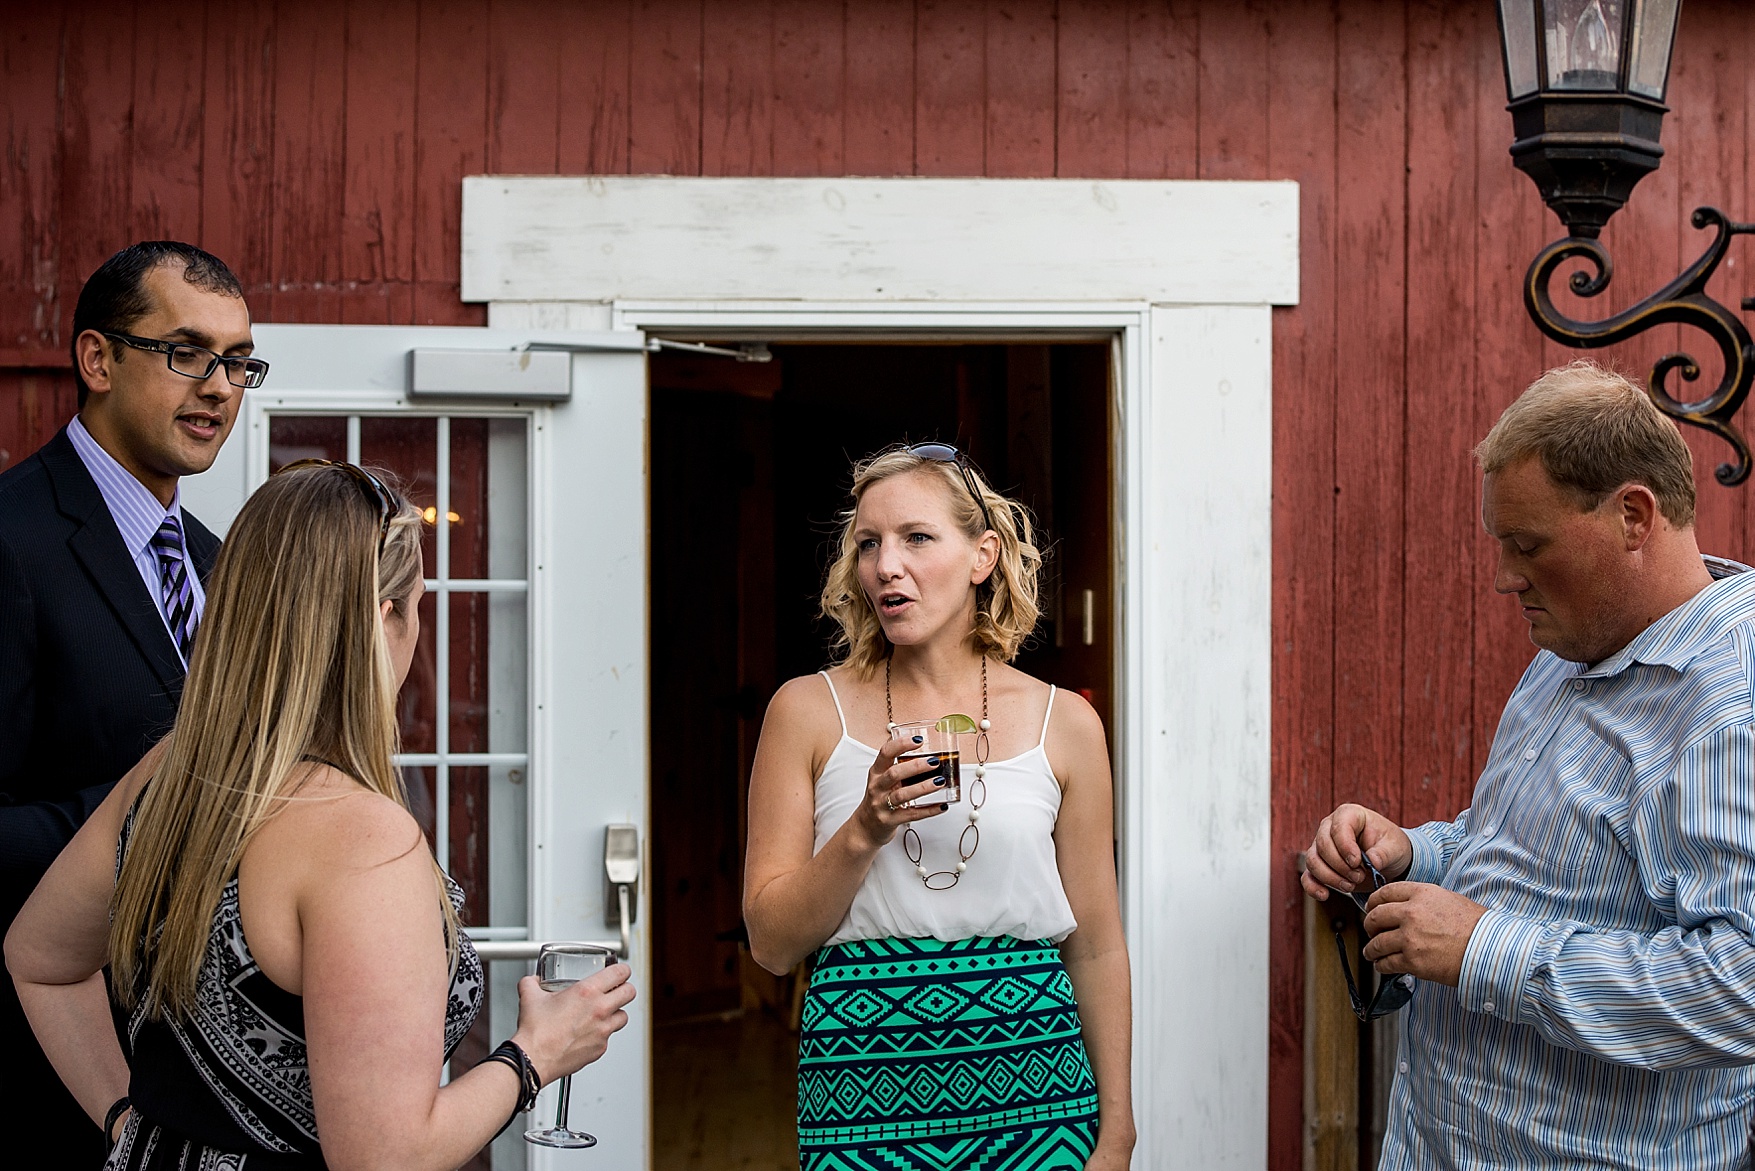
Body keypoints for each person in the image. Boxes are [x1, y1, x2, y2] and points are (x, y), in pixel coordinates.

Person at [4, 461, 636, 1168]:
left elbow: (39, 960)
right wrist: (535, 1054)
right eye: (418, 602)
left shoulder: (168, 774)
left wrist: (132, 1127)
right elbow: (384, 1157)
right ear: (384, 616)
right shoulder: (364, 840)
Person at [1302, 360, 1755, 1169]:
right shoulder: (1577, 643)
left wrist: (1482, 949)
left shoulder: (1730, 702)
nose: (1505, 576)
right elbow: (1555, 850)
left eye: (1527, 544)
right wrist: (1416, 849)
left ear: (1632, 515)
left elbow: (1741, 988)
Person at [744, 443, 1134, 1171]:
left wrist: (1116, 1133)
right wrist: (864, 828)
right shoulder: (804, 711)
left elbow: (1097, 943)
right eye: (868, 543)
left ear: (982, 554)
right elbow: (769, 943)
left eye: (915, 537)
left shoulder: (1066, 723)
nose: (885, 564)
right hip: (860, 1096)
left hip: (1039, 1098)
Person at [0, 241, 255, 1150]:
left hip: (194, 1092)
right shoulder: (14, 539)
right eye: (187, 352)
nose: (221, 387)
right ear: (98, 359)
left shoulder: (221, 563)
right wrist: (146, 810)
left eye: (237, 361)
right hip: (49, 1078)